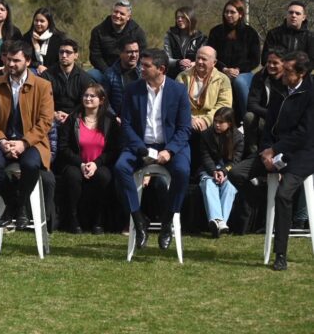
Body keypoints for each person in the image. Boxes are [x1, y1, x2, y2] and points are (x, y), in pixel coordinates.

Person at [229, 51, 314, 271]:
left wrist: (276, 151)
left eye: (287, 71)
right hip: (273, 150)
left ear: (301, 73)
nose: (281, 74)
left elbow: (304, 134)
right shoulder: (278, 89)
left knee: (284, 195)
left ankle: (281, 255)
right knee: (236, 173)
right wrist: (267, 150)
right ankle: (260, 203)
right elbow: (268, 125)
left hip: (302, 154)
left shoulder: (311, 94)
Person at [114, 49, 191, 252]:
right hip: (140, 145)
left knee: (182, 171)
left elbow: (184, 129)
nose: (142, 68)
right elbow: (127, 125)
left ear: (161, 69)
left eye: (147, 65)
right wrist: (141, 149)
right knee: (120, 167)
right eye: (142, 64)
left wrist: (170, 151)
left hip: (170, 146)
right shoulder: (132, 89)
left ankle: (167, 221)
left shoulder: (178, 91)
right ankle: (139, 220)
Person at [0, 41, 54, 230]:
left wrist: (24, 143)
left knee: (31, 164)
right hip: (2, 141)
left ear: (28, 61)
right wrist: (1, 141)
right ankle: (15, 204)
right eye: (8, 59)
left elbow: (45, 122)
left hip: (32, 143)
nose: (10, 64)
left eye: (16, 60)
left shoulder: (43, 86)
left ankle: (16, 206)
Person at [56, 83, 120, 234]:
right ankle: (73, 220)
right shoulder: (72, 119)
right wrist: (81, 164)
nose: (88, 98)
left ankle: (98, 221)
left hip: (100, 163)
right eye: (85, 95)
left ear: (102, 100)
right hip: (75, 163)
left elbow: (113, 150)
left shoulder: (110, 121)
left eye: (92, 96)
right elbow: (63, 147)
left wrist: (96, 164)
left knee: (104, 176)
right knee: (72, 176)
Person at [207, 0, 260, 123]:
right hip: (220, 71)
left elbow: (255, 59)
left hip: (243, 73)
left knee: (239, 81)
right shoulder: (216, 32)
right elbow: (211, 56)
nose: (228, 15)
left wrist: (238, 69)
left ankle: (249, 120)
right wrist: (224, 69)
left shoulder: (250, 33)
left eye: (232, 12)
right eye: (226, 12)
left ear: (240, 14)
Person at [197, 107, 243, 237]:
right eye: (215, 121)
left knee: (230, 186)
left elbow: (236, 160)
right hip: (208, 170)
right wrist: (214, 171)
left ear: (229, 123)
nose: (217, 124)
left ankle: (216, 223)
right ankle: (220, 222)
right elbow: (205, 157)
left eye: (221, 122)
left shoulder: (238, 137)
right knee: (209, 184)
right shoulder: (206, 135)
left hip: (229, 171)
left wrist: (223, 171)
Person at [175, 46, 233, 133]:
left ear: (214, 62)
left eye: (204, 59)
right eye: (198, 58)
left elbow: (224, 104)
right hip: (187, 120)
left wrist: (206, 121)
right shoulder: (183, 77)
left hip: (213, 122)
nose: (199, 62)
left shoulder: (223, 79)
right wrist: (189, 119)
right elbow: (176, 102)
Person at [88, 0, 148, 83]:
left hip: (131, 70)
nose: (117, 15)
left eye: (122, 14)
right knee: (91, 75)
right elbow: (95, 56)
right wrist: (108, 72)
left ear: (128, 17)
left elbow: (143, 54)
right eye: (115, 12)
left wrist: (132, 70)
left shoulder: (137, 32)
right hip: (106, 70)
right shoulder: (98, 31)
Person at [244, 47, 287, 157]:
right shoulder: (260, 76)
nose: (271, 65)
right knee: (249, 117)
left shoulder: (289, 78)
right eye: (269, 62)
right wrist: (269, 114)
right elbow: (251, 104)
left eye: (275, 63)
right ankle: (253, 152)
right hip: (265, 116)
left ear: (284, 64)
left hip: (284, 118)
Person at [42, 38, 94, 126]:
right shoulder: (47, 75)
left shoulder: (84, 77)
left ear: (76, 55)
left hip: (76, 117)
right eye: (61, 52)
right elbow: (41, 100)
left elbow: (87, 102)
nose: (64, 55)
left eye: (68, 52)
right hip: (51, 116)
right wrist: (53, 114)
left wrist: (72, 116)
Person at [163, 6, 207, 79]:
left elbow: (204, 58)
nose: (179, 20)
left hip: (195, 74)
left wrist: (192, 64)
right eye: (177, 17)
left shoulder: (201, 38)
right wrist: (179, 62)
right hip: (174, 74)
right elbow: (166, 58)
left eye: (183, 17)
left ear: (190, 19)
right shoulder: (170, 35)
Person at [103, 37, 142, 117]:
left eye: (136, 51)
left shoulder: (145, 73)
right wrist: (114, 117)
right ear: (120, 53)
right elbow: (104, 100)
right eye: (129, 52)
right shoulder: (110, 74)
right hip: (117, 119)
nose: (134, 55)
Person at [23, 6, 65, 74]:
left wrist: (48, 70)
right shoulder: (26, 38)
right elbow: (23, 58)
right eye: (36, 20)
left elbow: (62, 59)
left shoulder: (59, 38)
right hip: (33, 72)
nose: (38, 24)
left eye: (42, 21)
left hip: (55, 73)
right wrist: (38, 66)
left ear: (49, 22)